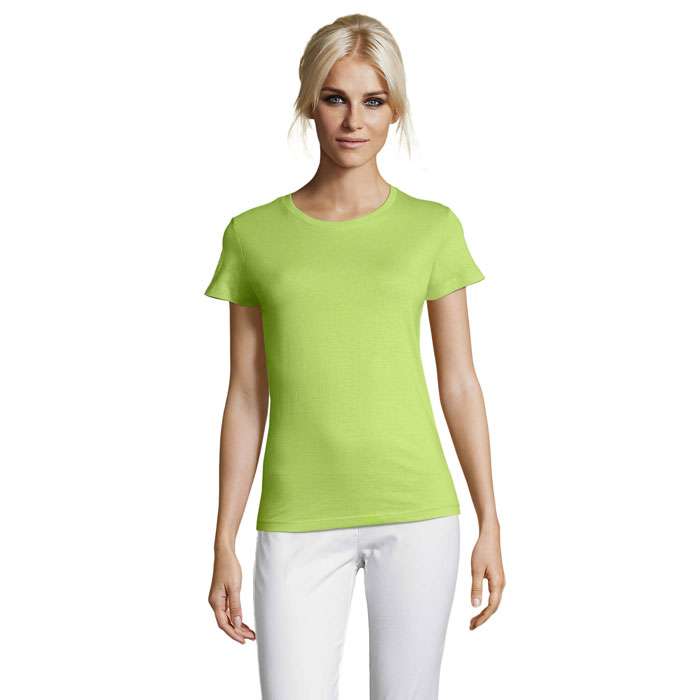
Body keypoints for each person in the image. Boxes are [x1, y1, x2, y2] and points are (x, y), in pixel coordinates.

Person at [205, 13, 505, 699]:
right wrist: (224, 538)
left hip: (416, 510)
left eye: (373, 101)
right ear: (309, 102)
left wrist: (490, 519)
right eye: (335, 98)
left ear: (395, 110)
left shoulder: (431, 228)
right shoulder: (253, 235)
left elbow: (460, 382)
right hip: (298, 516)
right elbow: (246, 395)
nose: (353, 120)